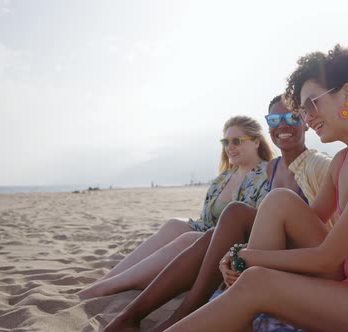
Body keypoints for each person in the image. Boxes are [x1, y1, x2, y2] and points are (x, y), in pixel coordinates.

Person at [165, 45, 348, 332]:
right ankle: (241, 301)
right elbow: (306, 223)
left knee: (258, 281)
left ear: (346, 94)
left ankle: (244, 294)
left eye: (311, 105)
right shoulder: (343, 161)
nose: (306, 117)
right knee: (279, 200)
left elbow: (326, 257)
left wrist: (248, 257)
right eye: (303, 109)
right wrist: (241, 254)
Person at [102, 95, 333, 331]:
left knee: (233, 214)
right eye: (274, 118)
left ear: (305, 120)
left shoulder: (318, 165)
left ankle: (184, 313)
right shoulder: (273, 167)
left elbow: (322, 232)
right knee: (209, 236)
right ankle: (131, 316)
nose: (282, 124)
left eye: (291, 116)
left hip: (298, 257)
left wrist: (244, 254)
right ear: (268, 125)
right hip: (273, 244)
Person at [77, 115, 272, 299]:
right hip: (207, 238)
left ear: (256, 142)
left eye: (237, 141)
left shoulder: (268, 174)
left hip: (231, 250)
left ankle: (109, 287)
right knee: (174, 225)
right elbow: (204, 222)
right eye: (225, 142)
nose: (230, 147)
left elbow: (260, 228)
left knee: (188, 239)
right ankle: (107, 280)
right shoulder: (223, 178)